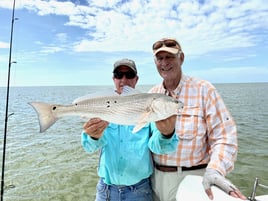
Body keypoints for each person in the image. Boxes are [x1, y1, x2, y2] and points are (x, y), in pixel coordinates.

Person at [149, 38, 247, 201]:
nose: (164, 63)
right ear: (155, 62)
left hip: (192, 180)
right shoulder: (152, 94)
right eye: (160, 58)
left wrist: (215, 170)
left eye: (170, 57)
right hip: (154, 181)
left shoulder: (204, 90)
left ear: (182, 58)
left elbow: (225, 137)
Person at [81, 58, 179, 201]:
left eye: (129, 75)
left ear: (136, 79)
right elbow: (89, 147)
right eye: (119, 75)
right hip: (105, 191)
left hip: (139, 191)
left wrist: (167, 133)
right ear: (113, 78)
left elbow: (158, 147)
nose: (124, 80)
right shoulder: (102, 106)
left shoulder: (149, 106)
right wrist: (93, 136)